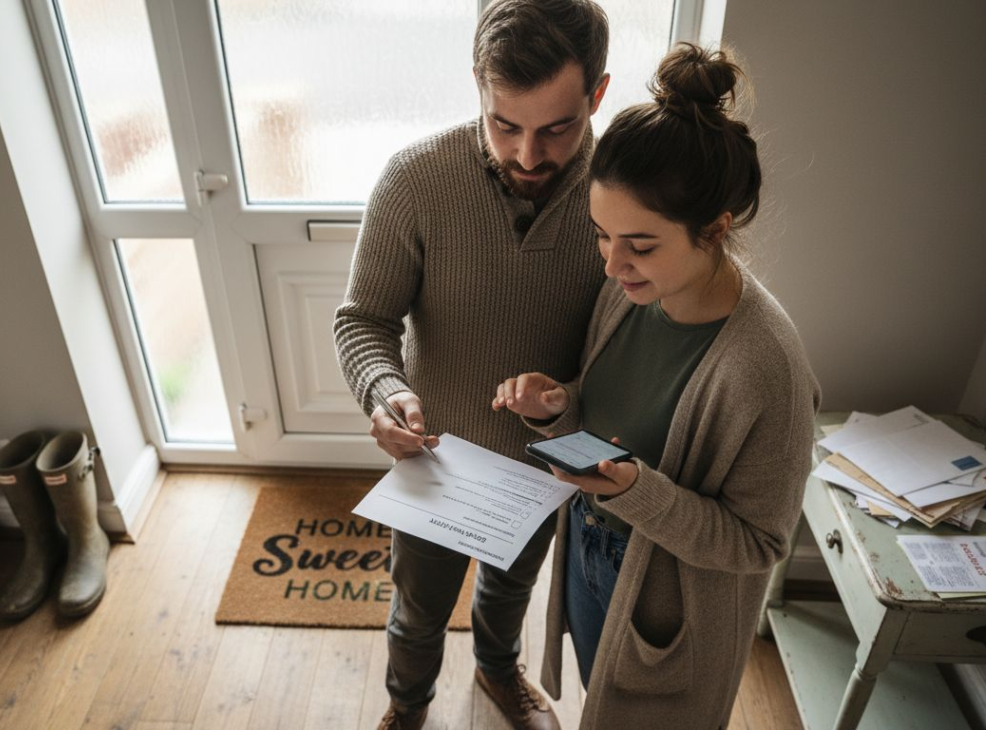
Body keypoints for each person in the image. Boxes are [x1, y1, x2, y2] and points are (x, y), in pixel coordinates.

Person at [493, 43, 821, 729]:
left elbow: (757, 545)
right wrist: (559, 406)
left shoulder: (766, 369)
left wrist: (635, 493)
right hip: (588, 545)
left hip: (664, 603)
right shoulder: (629, 294)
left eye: (639, 245)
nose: (612, 266)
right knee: (598, 698)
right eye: (601, 236)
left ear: (715, 229)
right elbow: (613, 419)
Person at [334, 2, 611, 727]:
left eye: (556, 128)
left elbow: (626, 352)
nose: (528, 155)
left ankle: (496, 669)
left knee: (509, 591)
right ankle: (407, 707)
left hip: (544, 466)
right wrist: (384, 391)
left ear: (598, 95)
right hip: (434, 460)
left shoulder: (623, 194)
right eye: (503, 124)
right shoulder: (416, 180)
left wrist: (566, 399)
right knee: (416, 610)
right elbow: (363, 320)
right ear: (477, 87)